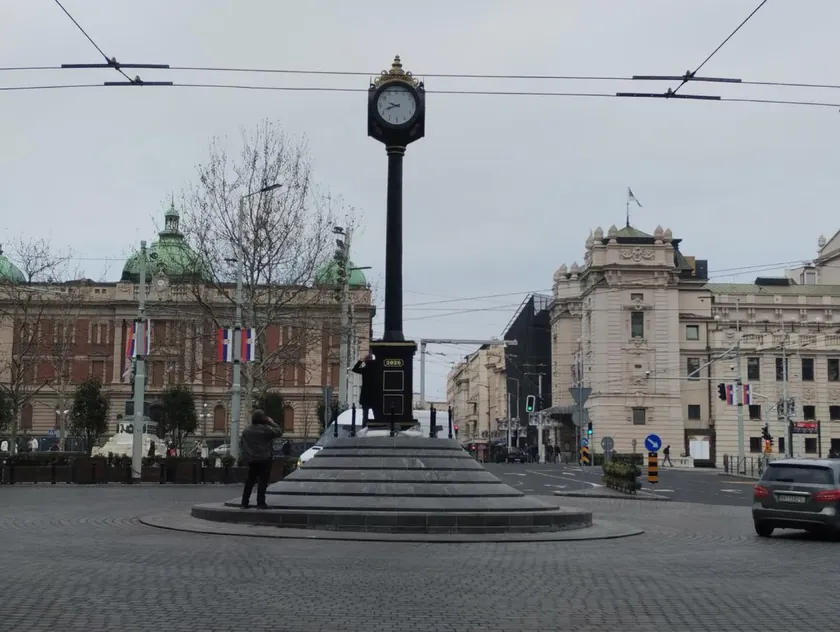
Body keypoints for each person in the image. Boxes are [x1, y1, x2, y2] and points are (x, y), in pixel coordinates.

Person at [240, 409, 284, 509]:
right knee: (263, 481)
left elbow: (242, 444)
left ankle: (244, 502)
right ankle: (260, 503)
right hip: (264, 458)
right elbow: (279, 432)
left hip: (252, 459)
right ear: (264, 419)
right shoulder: (266, 430)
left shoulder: (246, 431)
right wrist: (272, 423)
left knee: (250, 481)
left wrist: (247, 456)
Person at [352, 353, 380, 425]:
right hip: (375, 395)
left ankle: (364, 427)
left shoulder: (365, 369)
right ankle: (378, 426)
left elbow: (354, 369)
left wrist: (361, 361)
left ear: (366, 361)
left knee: (365, 415)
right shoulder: (377, 368)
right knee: (376, 414)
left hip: (365, 395)